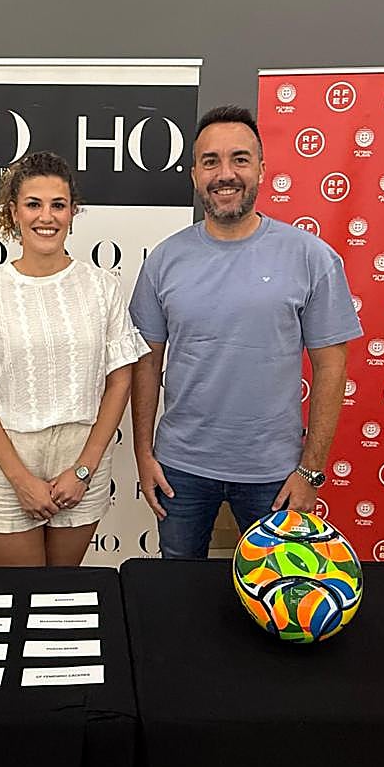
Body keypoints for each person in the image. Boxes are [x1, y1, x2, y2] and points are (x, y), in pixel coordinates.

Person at [129, 105, 362, 559]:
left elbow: (332, 368)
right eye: (210, 161)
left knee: (280, 596)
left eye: (239, 159)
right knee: (178, 589)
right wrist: (143, 454)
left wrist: (311, 471)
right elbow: (146, 361)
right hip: (180, 467)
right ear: (194, 173)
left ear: (261, 168)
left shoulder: (311, 258)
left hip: (275, 472)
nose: (225, 174)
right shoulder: (163, 260)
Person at [0, 151, 149, 566]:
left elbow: (120, 380)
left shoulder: (102, 287)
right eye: (33, 204)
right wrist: (20, 478)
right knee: (20, 594)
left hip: (80, 457)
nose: (45, 216)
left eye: (58, 204)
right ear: (13, 212)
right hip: (6, 461)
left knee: (61, 593)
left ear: (72, 212)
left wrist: (83, 469)